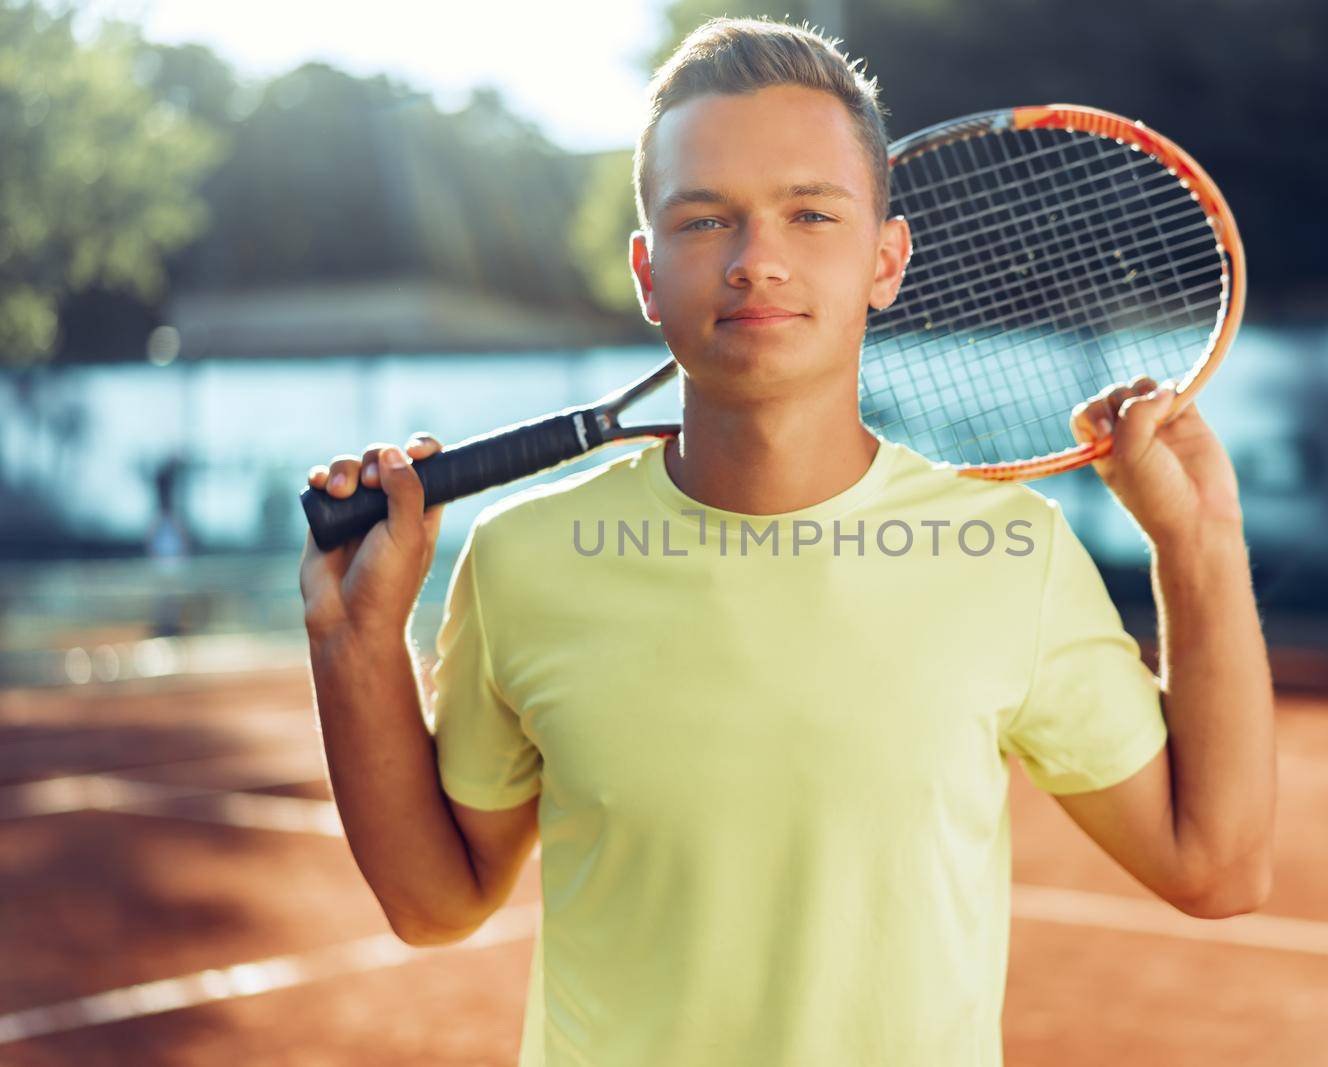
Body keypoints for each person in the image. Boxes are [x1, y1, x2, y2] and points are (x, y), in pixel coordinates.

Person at [298, 17, 1276, 1067]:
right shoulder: (522, 556)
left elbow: (1213, 865)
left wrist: (1200, 540)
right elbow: (434, 901)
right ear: (646, 271)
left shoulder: (1009, 556)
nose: (756, 261)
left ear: (885, 260)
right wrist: (354, 641)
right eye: (704, 221)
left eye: (810, 214)